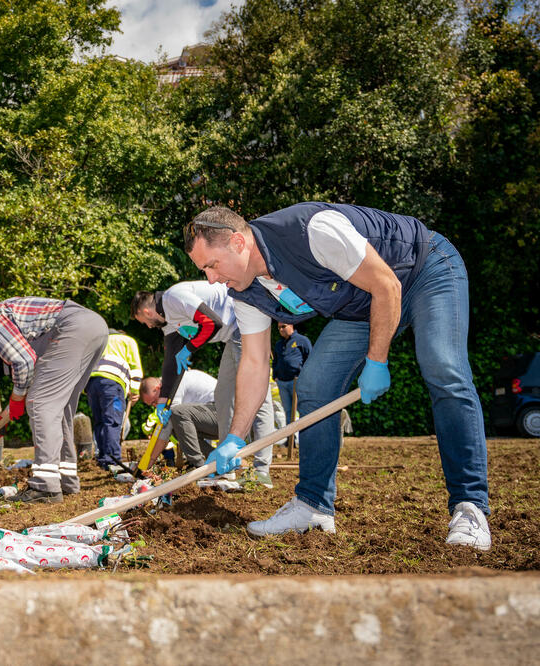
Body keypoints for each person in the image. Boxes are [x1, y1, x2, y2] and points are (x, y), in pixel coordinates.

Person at [184, 202, 491, 550]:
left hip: (423, 270)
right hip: (362, 304)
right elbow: (254, 364)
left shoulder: (312, 231)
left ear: (238, 243)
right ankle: (313, 506)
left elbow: (387, 285)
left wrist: (377, 361)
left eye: (211, 265)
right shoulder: (244, 291)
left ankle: (470, 507)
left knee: (443, 367)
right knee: (315, 385)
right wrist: (235, 437)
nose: (210, 278)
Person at [0, 297, 108, 503]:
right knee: (59, 408)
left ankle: (46, 487)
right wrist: (3, 417)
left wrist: (18, 400)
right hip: (94, 327)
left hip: (72, 327)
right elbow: (32, 377)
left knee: (41, 403)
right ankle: (65, 478)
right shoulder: (10, 330)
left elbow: (24, 362)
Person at [131, 283, 276, 486]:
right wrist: (163, 401)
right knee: (224, 397)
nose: (148, 326)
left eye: (144, 321)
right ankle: (228, 467)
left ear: (146, 311)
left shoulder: (175, 297)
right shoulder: (170, 321)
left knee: (259, 398)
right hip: (231, 337)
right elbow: (170, 363)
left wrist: (188, 348)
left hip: (247, 325)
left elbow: (212, 322)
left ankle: (262, 469)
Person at [139, 371, 226, 473]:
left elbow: (164, 430)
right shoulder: (168, 384)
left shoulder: (173, 384)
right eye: (152, 404)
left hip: (222, 415)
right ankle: (217, 459)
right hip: (214, 417)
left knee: (176, 413)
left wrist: (150, 461)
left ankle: (198, 466)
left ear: (157, 388)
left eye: (154, 401)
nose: (155, 406)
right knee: (176, 426)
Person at [86, 332, 143, 469]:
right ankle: (113, 461)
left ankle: (104, 459)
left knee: (100, 422)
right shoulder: (127, 340)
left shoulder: (99, 340)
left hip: (92, 384)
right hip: (112, 384)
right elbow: (135, 368)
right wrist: (134, 391)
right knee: (112, 422)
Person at [273, 322, 312, 422]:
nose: (281, 330)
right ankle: (291, 437)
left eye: (283, 326)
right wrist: (275, 376)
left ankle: (305, 436)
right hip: (282, 383)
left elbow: (310, 359)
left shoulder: (302, 340)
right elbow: (275, 361)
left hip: (297, 382)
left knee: (303, 409)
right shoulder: (279, 344)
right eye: (279, 328)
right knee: (288, 411)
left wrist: (304, 377)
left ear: (291, 325)